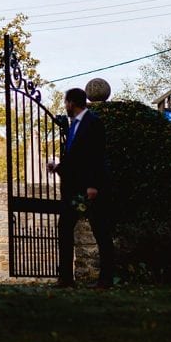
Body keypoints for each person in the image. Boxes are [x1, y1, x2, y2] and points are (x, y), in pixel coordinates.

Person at [47, 87, 115, 289]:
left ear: (72, 103)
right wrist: (59, 167)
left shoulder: (93, 123)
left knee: (101, 231)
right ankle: (66, 278)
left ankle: (106, 279)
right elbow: (76, 158)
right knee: (65, 229)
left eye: (66, 102)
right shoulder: (73, 126)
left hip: (89, 189)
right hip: (72, 189)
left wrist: (93, 184)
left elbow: (96, 156)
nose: (65, 106)